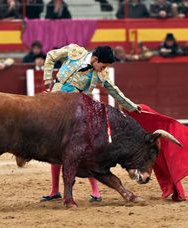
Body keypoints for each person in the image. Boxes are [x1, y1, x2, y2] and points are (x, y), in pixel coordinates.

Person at [41, 44, 141, 202]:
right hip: (56, 106)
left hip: (77, 112)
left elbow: (114, 90)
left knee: (85, 151)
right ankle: (54, 191)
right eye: (103, 65)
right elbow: (51, 55)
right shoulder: (74, 51)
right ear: (95, 59)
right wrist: (48, 79)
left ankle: (95, 192)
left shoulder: (101, 73)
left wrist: (132, 106)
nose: (103, 69)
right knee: (57, 148)